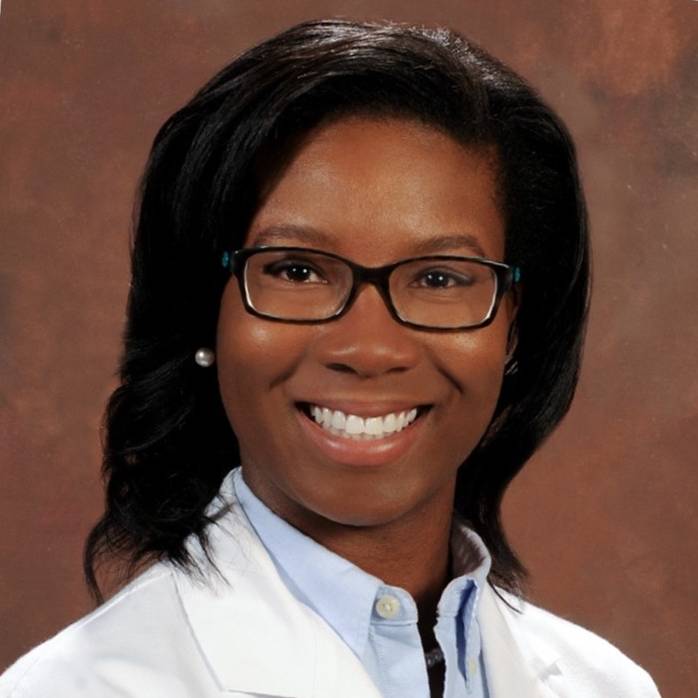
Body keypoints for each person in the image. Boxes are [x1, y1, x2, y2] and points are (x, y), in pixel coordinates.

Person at [1, 17, 661, 698]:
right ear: (206, 311)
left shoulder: (607, 686)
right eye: (297, 271)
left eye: (438, 278)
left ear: (514, 332)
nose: (369, 349)